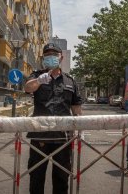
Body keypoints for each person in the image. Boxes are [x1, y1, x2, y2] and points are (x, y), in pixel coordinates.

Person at [24, 43, 83, 194]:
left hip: (63, 137)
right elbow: (27, 88)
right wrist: (39, 81)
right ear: (43, 58)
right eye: (47, 55)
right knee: (36, 176)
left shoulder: (70, 81)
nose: (50, 58)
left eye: (54, 55)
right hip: (40, 136)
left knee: (61, 177)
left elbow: (76, 106)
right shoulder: (37, 75)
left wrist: (79, 127)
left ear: (61, 58)